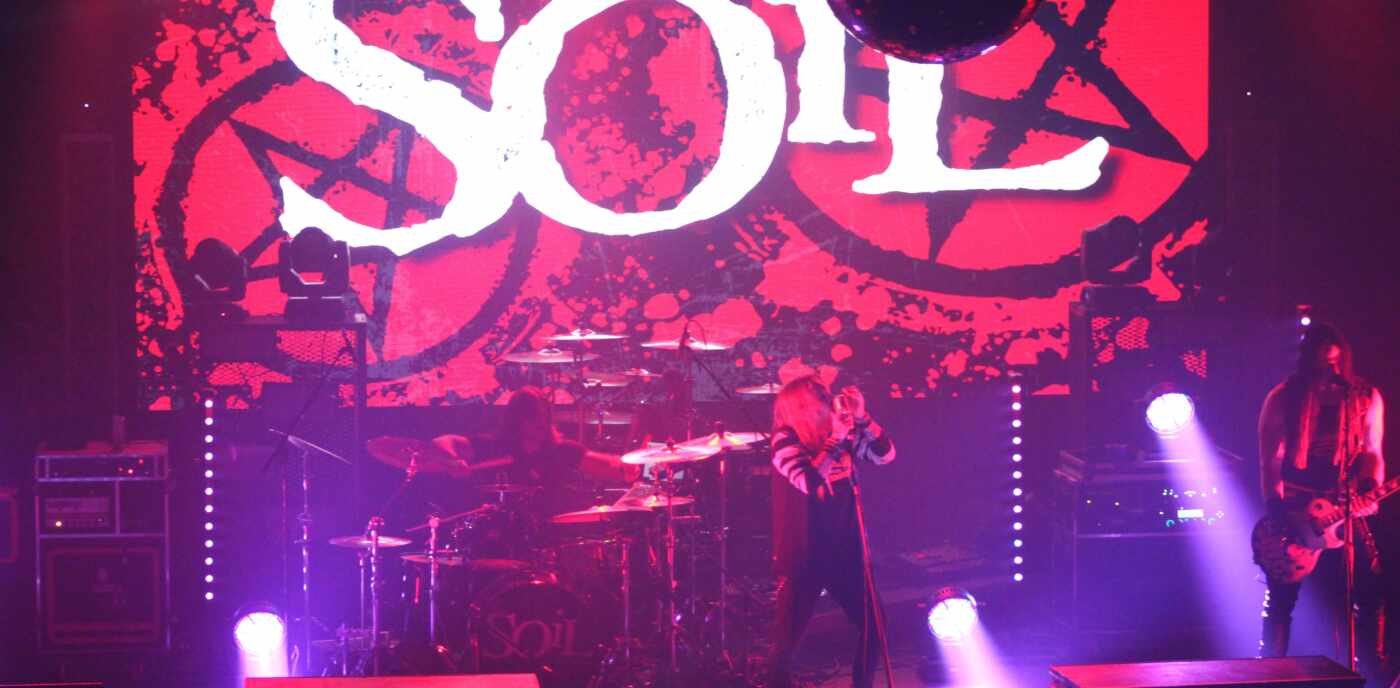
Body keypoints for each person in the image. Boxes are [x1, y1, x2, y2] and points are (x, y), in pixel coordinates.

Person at [1257, 322, 1389, 681]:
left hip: (1345, 504)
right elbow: (1270, 459)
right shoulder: (1284, 397)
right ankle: (1267, 671)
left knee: (1369, 589)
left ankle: (1371, 672)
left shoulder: (1364, 396)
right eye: (1321, 363)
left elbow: (1372, 451)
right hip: (1298, 505)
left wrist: (1370, 488)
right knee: (1283, 596)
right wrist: (1276, 509)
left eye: (1334, 363)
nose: (1329, 371)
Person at [768, 376, 895, 688]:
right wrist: (836, 440)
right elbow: (809, 482)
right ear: (800, 405)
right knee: (786, 643)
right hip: (805, 554)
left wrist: (863, 418)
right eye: (819, 393)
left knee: (875, 626)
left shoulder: (839, 433)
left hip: (846, 550)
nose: (827, 395)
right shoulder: (785, 440)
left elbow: (885, 455)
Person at [433, 387, 637, 519]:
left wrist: (637, 465)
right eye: (533, 417)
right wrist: (452, 460)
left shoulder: (561, 451)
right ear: (516, 420)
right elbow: (444, 441)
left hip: (552, 542)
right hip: (499, 541)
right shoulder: (493, 447)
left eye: (545, 417)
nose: (541, 423)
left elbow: (608, 466)